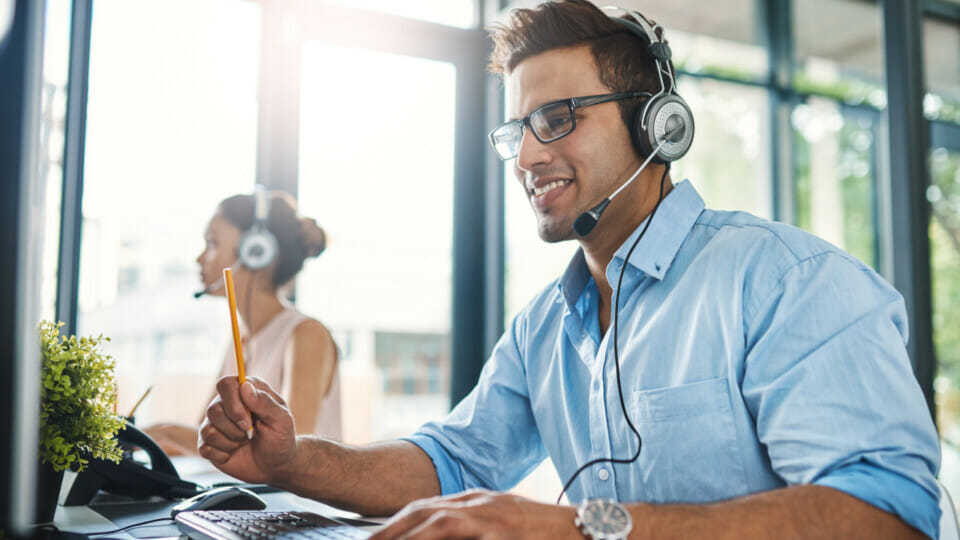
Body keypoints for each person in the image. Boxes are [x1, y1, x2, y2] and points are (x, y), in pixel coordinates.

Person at [197, 2, 940, 538]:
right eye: (517, 130)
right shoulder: (546, 327)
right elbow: (452, 461)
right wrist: (292, 461)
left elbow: (887, 512)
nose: (526, 156)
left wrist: (580, 528)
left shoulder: (787, 281)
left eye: (559, 119)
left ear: (658, 125)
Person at [146, 191, 342, 455]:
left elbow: (291, 450)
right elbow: (206, 439)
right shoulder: (242, 340)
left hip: (296, 498)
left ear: (255, 251)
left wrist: (164, 432)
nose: (200, 258)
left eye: (212, 243)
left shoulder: (306, 335)